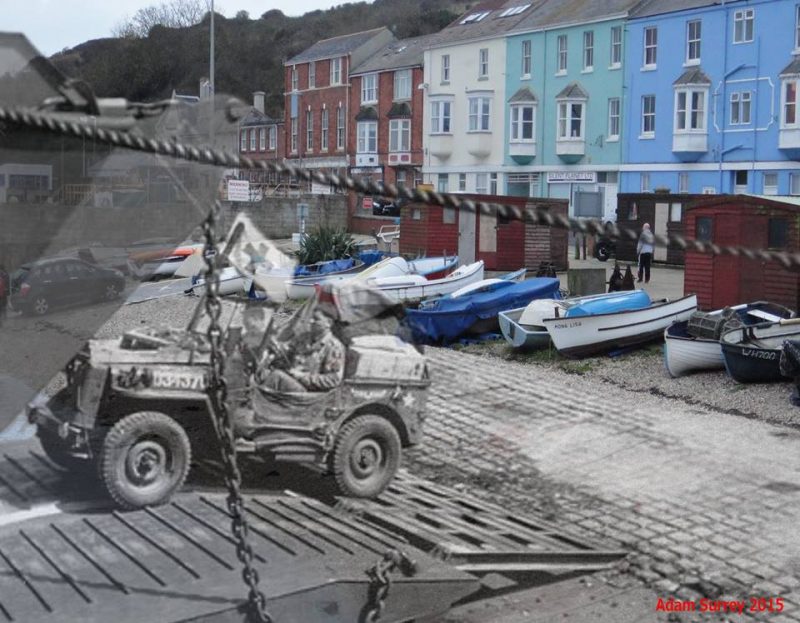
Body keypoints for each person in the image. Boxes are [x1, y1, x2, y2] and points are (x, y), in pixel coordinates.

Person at [258, 310, 345, 393]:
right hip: (292, 382)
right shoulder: (303, 338)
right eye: (311, 318)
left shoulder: (334, 347)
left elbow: (333, 380)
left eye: (316, 319)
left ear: (328, 323)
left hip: (310, 392)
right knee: (265, 373)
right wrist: (276, 346)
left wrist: (301, 376)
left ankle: (255, 402)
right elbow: (287, 349)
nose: (311, 321)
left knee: (277, 376)